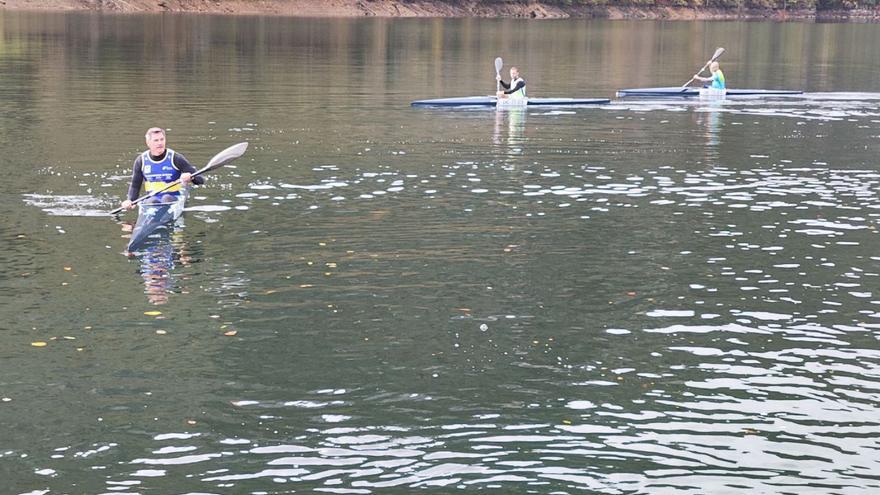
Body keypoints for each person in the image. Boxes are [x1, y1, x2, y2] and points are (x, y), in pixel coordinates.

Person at [120, 127, 204, 210]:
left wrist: (191, 177)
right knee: (151, 201)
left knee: (166, 198)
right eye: (156, 140)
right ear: (148, 143)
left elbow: (201, 180)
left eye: (162, 139)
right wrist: (130, 201)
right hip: (152, 199)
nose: (160, 143)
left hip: (174, 197)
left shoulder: (175, 158)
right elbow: (135, 186)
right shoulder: (141, 161)